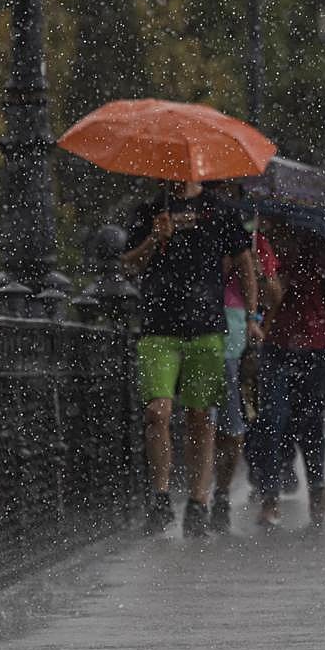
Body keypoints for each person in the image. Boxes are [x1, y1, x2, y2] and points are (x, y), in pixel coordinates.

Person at [122, 180, 261, 538]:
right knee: (158, 412)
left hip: (205, 327)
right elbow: (128, 266)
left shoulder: (220, 211)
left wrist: (251, 316)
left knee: (200, 416)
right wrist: (155, 238)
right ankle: (161, 495)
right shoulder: (150, 210)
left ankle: (199, 501)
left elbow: (245, 262)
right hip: (158, 327)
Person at [249, 222, 325, 528]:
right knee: (271, 421)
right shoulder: (262, 245)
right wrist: (267, 276)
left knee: (310, 423)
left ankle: (317, 488)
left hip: (315, 345)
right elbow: (260, 296)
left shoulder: (320, 247)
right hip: (276, 343)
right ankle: (270, 496)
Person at [211, 206, 285, 533]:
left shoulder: (255, 244)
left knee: (245, 417)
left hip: (238, 334)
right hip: (205, 326)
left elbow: (273, 292)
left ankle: (245, 489)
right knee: (220, 417)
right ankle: (224, 490)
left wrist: (253, 272)